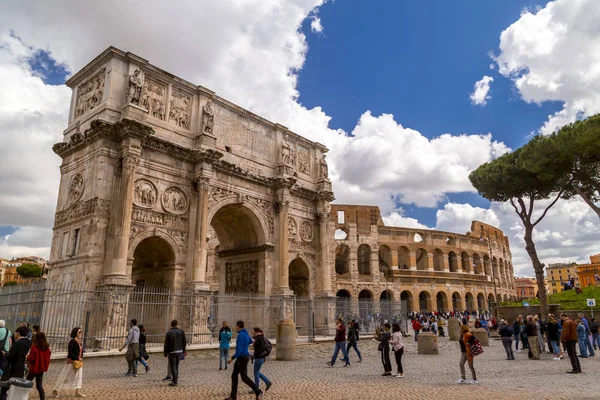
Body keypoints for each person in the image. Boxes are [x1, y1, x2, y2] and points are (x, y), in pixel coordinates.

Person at [225, 320, 262, 400]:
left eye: (236, 326)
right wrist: (245, 346)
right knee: (234, 375)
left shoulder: (241, 335)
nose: (235, 327)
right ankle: (233, 396)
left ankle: (257, 391)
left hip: (241, 358)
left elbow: (239, 350)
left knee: (244, 377)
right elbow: (250, 341)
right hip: (244, 357)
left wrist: (232, 358)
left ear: (238, 326)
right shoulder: (245, 334)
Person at [51, 327, 86, 398]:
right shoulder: (72, 342)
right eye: (79, 332)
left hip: (78, 362)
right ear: (75, 333)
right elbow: (70, 352)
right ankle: (55, 389)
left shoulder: (79, 342)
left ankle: (77, 392)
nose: (80, 333)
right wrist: (76, 358)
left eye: (81, 332)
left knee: (78, 377)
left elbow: (81, 351)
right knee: (65, 375)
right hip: (72, 361)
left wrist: (81, 357)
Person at [0, 326, 32, 400]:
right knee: (15, 388)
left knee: (4, 388)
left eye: (15, 333)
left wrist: (5, 354)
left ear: (18, 333)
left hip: (12, 368)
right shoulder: (27, 342)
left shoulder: (18, 343)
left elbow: (11, 356)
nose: (14, 334)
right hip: (20, 367)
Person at [26, 332, 52, 400]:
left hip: (34, 368)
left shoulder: (34, 347)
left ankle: (22, 397)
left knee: (26, 383)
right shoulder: (46, 348)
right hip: (41, 368)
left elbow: (32, 358)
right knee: (39, 386)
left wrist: (27, 357)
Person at [163, 319, 186, 387]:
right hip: (179, 351)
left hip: (172, 351)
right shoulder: (181, 331)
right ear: (176, 324)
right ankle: (175, 378)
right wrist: (183, 350)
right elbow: (184, 341)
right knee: (176, 365)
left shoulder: (169, 332)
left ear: (171, 324)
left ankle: (175, 381)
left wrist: (165, 352)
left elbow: (166, 344)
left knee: (173, 366)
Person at [250, 328, 272, 393]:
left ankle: (256, 389)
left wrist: (254, 356)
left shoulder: (259, 338)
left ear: (256, 332)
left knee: (256, 373)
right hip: (260, 358)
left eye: (253, 331)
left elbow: (261, 349)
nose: (252, 332)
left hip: (259, 358)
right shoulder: (260, 338)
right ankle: (267, 382)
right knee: (257, 372)